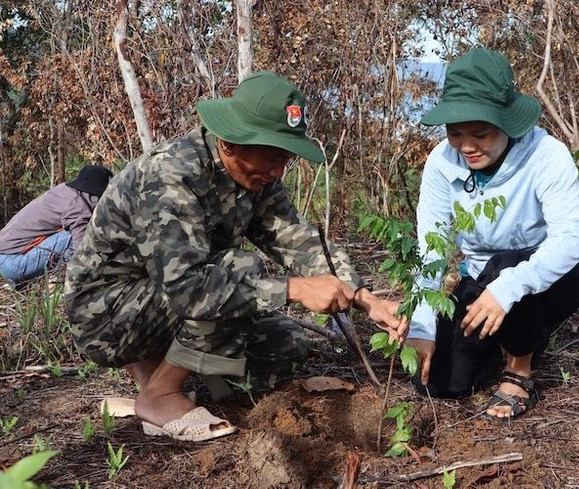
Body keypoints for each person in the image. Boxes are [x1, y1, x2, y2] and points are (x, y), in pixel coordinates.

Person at [64, 71, 408, 442]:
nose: (279, 171)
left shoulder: (256, 177)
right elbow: (187, 289)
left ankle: (160, 372)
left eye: (285, 160)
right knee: (239, 266)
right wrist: (292, 289)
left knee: (287, 346)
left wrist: (364, 298)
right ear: (229, 143)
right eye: (274, 157)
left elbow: (297, 240)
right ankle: (159, 396)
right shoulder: (172, 176)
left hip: (159, 304)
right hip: (105, 316)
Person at [404, 48, 579, 421]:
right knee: (439, 382)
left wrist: (507, 289)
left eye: (480, 133)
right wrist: (423, 325)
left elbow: (570, 242)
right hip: (481, 277)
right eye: (456, 133)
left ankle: (520, 369)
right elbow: (432, 246)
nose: (467, 146)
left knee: (506, 269)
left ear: (507, 122)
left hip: (551, 278)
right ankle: (507, 339)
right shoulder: (441, 163)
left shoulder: (546, 155)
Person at [0, 165, 113, 287]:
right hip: (12, 263)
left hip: (5, 258)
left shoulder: (64, 192)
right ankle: (63, 279)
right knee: (75, 237)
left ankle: (50, 277)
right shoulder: (77, 207)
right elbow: (82, 249)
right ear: (96, 194)